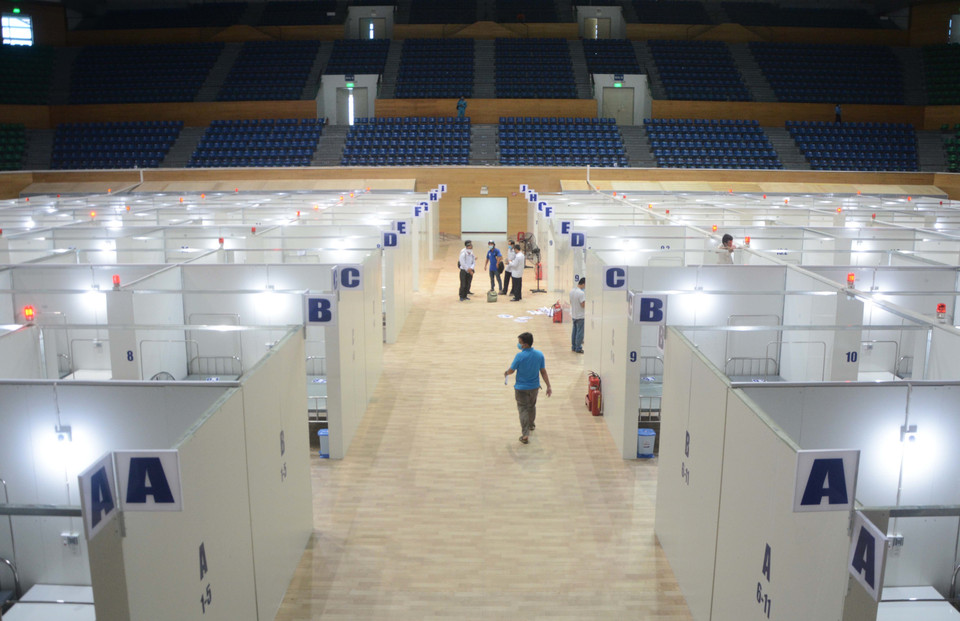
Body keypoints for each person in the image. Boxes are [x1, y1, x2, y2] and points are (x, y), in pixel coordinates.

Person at [504, 332, 551, 444]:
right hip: (534, 388)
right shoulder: (539, 355)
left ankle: (525, 434)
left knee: (523, 409)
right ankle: (531, 425)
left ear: (525, 344)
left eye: (520, 342)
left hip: (521, 388)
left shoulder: (519, 356)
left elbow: (511, 370)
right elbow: (543, 371)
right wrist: (548, 386)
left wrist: (506, 373)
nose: (519, 344)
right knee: (531, 406)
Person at [570, 277, 585, 353]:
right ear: (583, 284)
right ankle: (578, 348)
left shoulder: (572, 291)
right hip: (580, 316)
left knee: (574, 332)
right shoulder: (581, 293)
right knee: (580, 333)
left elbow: (571, 302)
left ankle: (573, 347)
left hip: (574, 315)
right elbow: (583, 305)